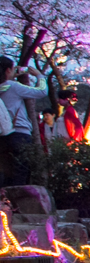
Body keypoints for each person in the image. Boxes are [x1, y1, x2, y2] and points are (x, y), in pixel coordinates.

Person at [0, 57, 48, 186]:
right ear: (8, 70)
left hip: (2, 136)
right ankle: (18, 204)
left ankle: (4, 204)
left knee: (5, 173)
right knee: (20, 172)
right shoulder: (14, 86)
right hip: (20, 133)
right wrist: (39, 76)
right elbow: (42, 91)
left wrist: (8, 77)